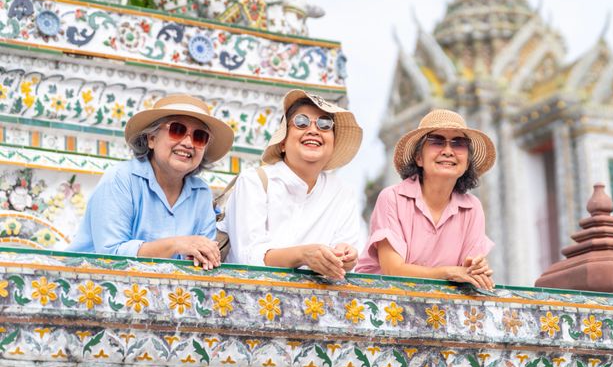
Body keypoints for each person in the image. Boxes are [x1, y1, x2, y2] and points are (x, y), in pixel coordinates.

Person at [68, 94, 234, 270]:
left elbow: (202, 261)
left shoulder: (201, 193)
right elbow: (110, 256)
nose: (188, 143)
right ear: (151, 139)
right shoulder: (120, 178)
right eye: (177, 130)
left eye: (199, 136)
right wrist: (176, 244)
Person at [220, 90, 364, 279]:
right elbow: (248, 258)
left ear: (333, 145)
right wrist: (303, 255)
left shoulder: (343, 193)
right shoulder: (254, 181)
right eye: (301, 122)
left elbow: (345, 259)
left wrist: (346, 257)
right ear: (282, 143)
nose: (313, 130)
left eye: (325, 124)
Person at [355, 109, 496, 289]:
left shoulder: (472, 207)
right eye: (437, 142)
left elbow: (467, 271)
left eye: (459, 144)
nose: (448, 151)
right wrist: (449, 272)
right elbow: (393, 270)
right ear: (419, 158)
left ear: (467, 162)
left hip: (437, 306)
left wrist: (477, 271)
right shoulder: (392, 198)